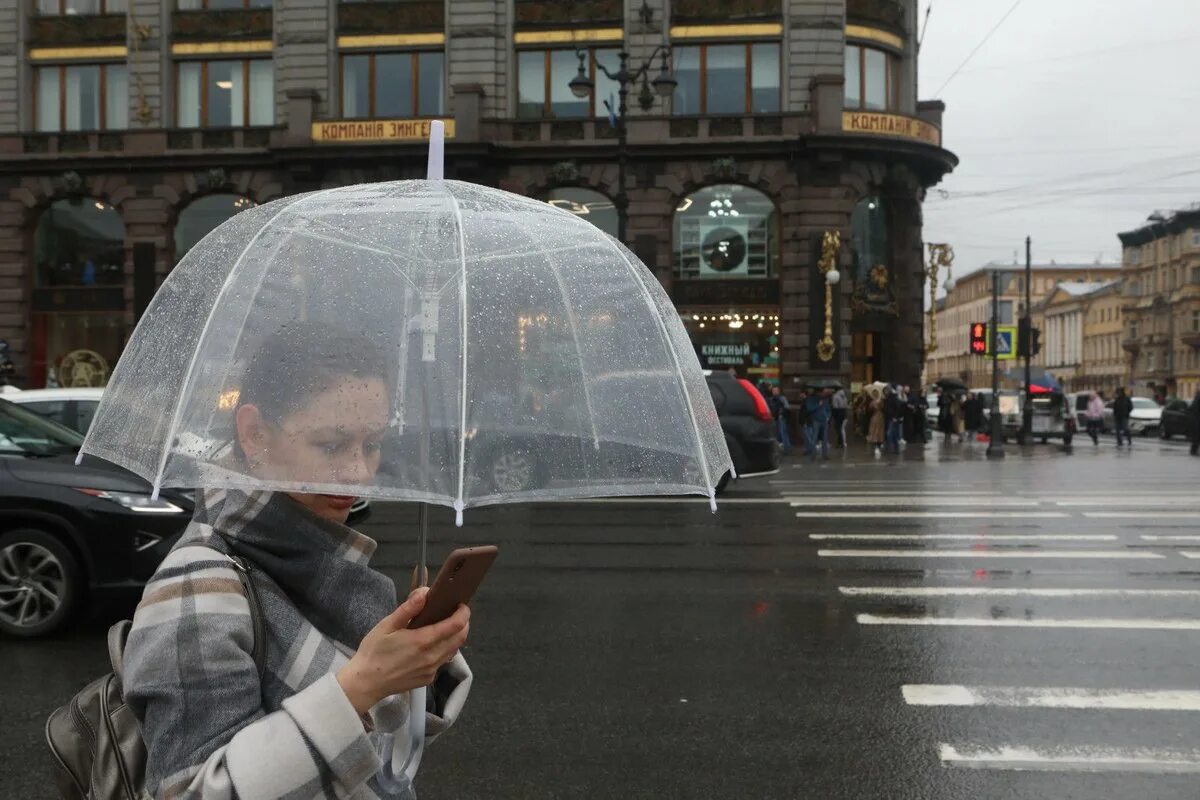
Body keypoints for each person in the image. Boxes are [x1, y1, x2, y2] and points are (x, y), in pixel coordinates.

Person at [123, 323, 474, 799]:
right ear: (254, 433)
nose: (357, 472)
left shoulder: (320, 562)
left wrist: (417, 656)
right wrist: (361, 686)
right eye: (330, 445)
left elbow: (388, 758)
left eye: (372, 444)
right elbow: (188, 792)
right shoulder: (199, 582)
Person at [804, 389, 833, 458]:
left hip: (824, 420)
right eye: (821, 392)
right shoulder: (811, 399)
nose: (822, 393)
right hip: (816, 420)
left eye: (823, 392)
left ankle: (825, 454)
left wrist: (828, 416)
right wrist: (818, 405)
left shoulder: (825, 399)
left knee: (825, 438)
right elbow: (809, 409)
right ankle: (813, 454)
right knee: (814, 437)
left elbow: (828, 409)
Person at [769, 386, 793, 455]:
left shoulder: (782, 398)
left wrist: (781, 413)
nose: (774, 392)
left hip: (781, 417)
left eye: (776, 390)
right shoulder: (772, 399)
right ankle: (784, 448)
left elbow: (787, 407)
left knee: (783, 433)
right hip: (775, 418)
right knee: (778, 434)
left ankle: (787, 448)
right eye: (773, 390)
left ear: (779, 391)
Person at [884, 386, 905, 454]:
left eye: (886, 390)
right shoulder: (886, 398)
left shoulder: (893, 397)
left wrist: (896, 417)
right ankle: (895, 448)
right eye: (885, 390)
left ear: (889, 390)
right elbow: (886, 409)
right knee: (893, 433)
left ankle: (890, 446)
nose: (885, 392)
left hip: (893, 418)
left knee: (889, 433)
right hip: (888, 418)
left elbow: (898, 407)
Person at [1190, 389, 1200, 456]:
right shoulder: (1198, 398)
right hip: (1197, 419)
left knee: (1196, 436)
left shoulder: (1197, 398)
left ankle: (1193, 450)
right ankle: (1193, 450)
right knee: (1197, 436)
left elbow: (1191, 408)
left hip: (1195, 419)